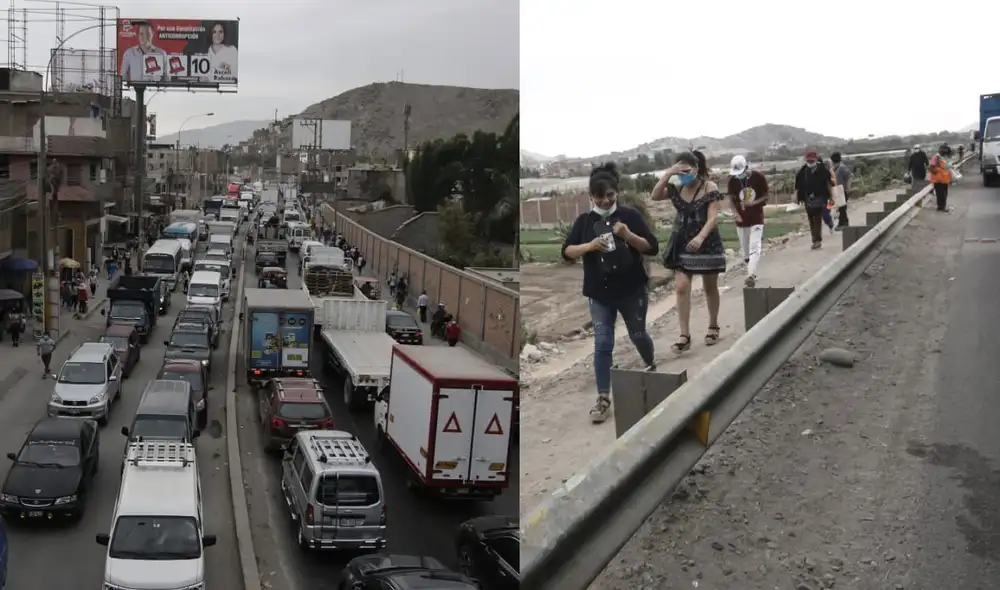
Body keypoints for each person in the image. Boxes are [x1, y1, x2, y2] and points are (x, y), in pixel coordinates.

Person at [563, 162, 658, 424]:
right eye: (599, 196)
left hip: (631, 289)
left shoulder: (629, 217)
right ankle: (603, 398)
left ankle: (650, 364)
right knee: (603, 343)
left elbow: (652, 247)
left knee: (638, 334)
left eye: (610, 196)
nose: (605, 201)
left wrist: (628, 236)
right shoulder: (584, 222)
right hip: (599, 294)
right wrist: (589, 246)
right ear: (590, 196)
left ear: (616, 193)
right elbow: (567, 251)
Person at [652, 151, 725, 351]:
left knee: (710, 287)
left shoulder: (710, 187)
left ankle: (713, 325)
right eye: (680, 170)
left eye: (686, 170)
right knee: (682, 287)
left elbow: (712, 217)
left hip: (707, 243)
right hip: (683, 243)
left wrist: (701, 237)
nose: (683, 174)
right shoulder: (677, 188)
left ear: (696, 168)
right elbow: (655, 195)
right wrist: (668, 173)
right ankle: (684, 335)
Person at [727, 155, 768, 288]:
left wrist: (754, 203)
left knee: (754, 246)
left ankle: (750, 275)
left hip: (756, 218)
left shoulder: (758, 177)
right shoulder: (732, 181)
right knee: (746, 253)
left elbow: (766, 195)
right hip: (741, 220)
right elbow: (731, 200)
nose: (739, 176)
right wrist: (735, 213)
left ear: (747, 167)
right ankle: (751, 270)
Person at [795, 149, 833, 250]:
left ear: (816, 160)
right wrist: (799, 198)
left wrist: (831, 197)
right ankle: (814, 239)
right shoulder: (802, 172)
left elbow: (828, 184)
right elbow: (798, 186)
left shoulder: (823, 171)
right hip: (808, 199)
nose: (810, 163)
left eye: (812, 161)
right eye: (809, 161)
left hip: (821, 197)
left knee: (817, 218)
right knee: (811, 219)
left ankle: (817, 240)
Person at [830, 152, 853, 229]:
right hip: (838, 191)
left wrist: (848, 188)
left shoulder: (842, 168)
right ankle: (842, 223)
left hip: (843, 190)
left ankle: (844, 223)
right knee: (841, 208)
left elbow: (849, 176)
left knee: (842, 208)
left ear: (833, 161)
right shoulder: (835, 169)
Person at [929, 144, 954, 212]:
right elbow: (931, 168)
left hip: (944, 179)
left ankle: (941, 207)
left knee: (944, 193)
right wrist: (940, 170)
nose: (946, 154)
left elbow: (947, 167)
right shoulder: (936, 158)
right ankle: (941, 207)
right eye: (945, 152)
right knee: (941, 194)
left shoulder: (944, 158)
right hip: (938, 179)